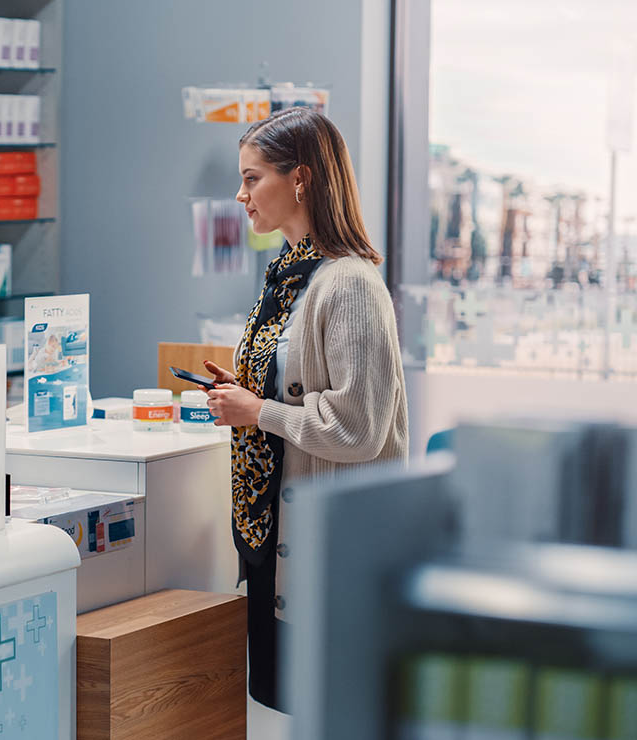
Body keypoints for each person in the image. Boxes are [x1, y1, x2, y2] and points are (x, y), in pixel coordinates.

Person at [203, 107, 408, 725]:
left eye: (252, 178)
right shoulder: (288, 278)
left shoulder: (345, 283)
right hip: (277, 543)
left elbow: (357, 427)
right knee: (281, 709)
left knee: (326, 711)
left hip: (326, 552)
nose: (239, 196)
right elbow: (294, 389)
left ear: (301, 180)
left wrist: (259, 410)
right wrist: (245, 393)